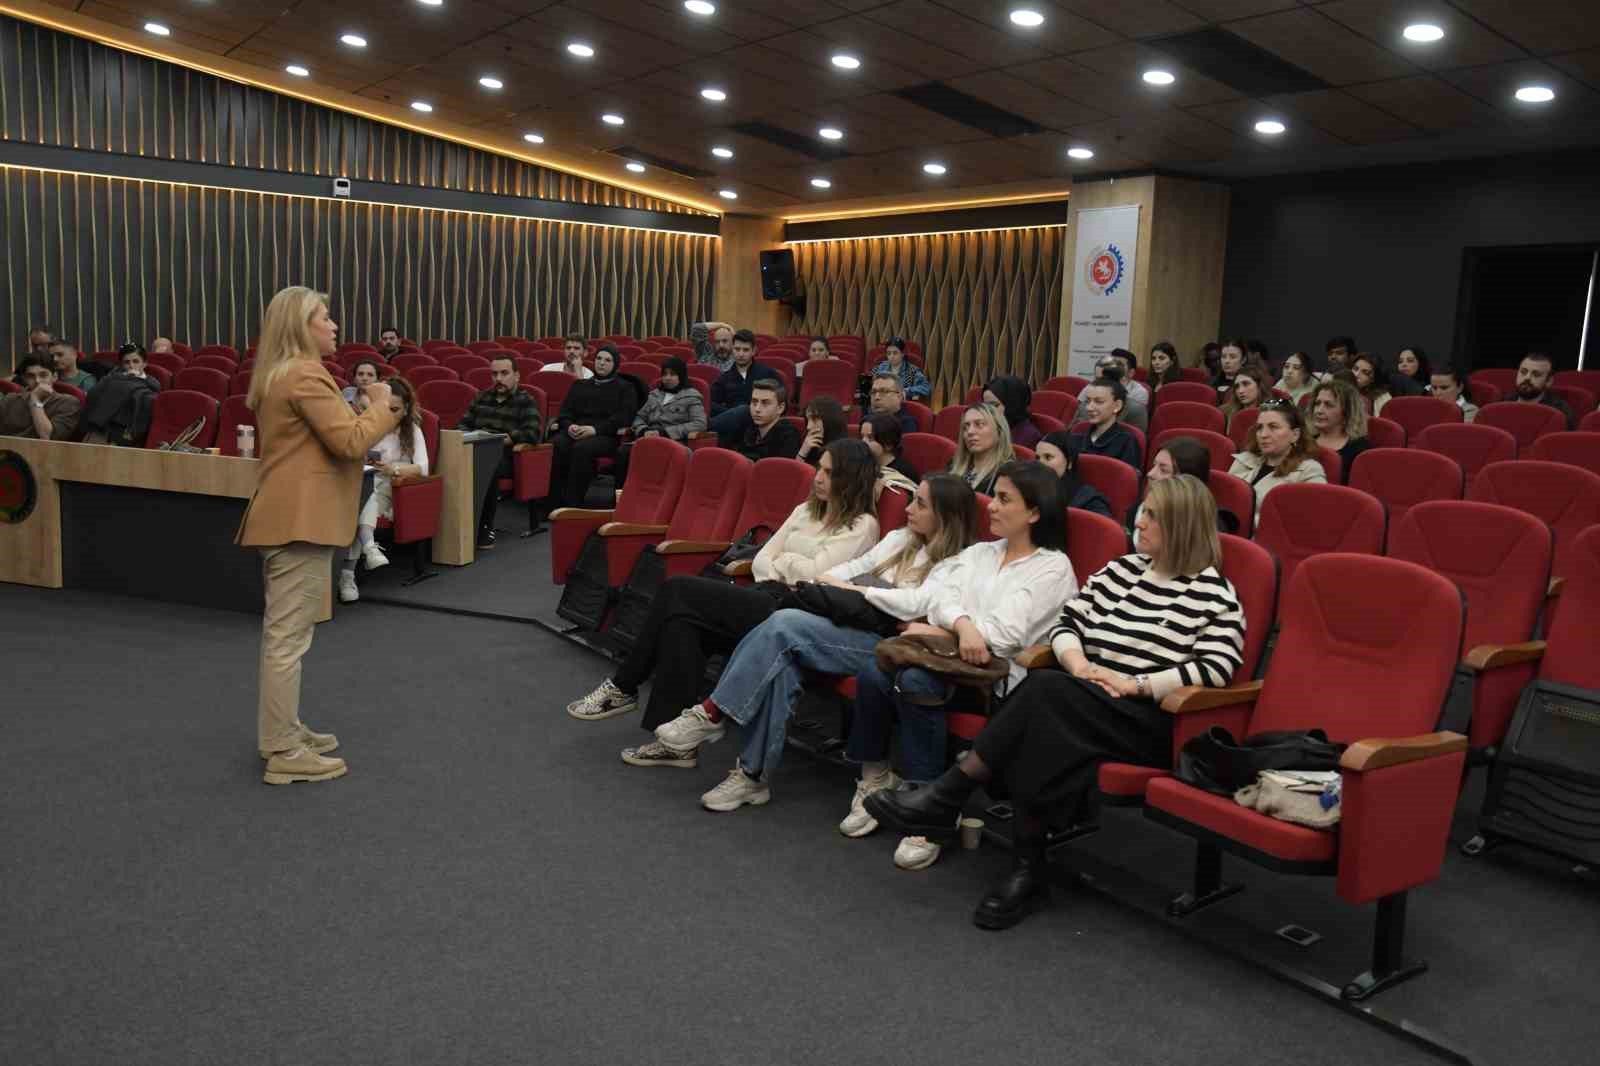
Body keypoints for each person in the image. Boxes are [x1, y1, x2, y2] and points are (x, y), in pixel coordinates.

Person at [867, 474, 1244, 927]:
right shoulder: (1122, 571)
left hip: (1150, 717)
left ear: (1182, 525)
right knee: (1046, 717)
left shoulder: (1213, 593)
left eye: (1153, 516)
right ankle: (1025, 868)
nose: (1139, 522)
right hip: (1087, 696)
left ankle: (950, 796)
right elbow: (1068, 625)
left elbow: (1216, 667)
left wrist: (1137, 684)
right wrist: (1079, 664)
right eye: (1142, 511)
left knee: (1045, 691)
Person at [650, 476, 981, 812]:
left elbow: (916, 604)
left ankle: (712, 714)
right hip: (853, 627)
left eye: (920, 504)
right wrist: (859, 590)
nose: (908, 509)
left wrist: (858, 590)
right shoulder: (900, 538)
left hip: (890, 646)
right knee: (783, 659)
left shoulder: (959, 561)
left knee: (783, 626)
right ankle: (751, 777)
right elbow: (847, 570)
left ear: (946, 515)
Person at [565, 440, 880, 759]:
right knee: (682, 625)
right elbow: (761, 560)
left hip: (796, 612)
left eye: (830, 472)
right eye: (819, 468)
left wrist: (783, 561)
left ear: (851, 479)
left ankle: (623, 686)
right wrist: (787, 564)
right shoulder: (805, 510)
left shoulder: (862, 526)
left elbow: (814, 578)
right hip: (764, 593)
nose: (819, 477)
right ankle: (673, 745)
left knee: (677, 589)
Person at [854, 462, 1078, 869]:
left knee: (915, 677)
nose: (991, 506)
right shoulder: (981, 552)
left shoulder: (1053, 567)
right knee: (874, 671)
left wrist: (954, 628)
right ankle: (875, 778)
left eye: (1004, 499)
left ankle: (931, 809)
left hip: (997, 682)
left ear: (1034, 512)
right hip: (952, 660)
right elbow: (938, 599)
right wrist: (962, 625)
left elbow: (1005, 637)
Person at [237, 286, 401, 786]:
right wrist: (381, 403)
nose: (334, 325)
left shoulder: (283, 373)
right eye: (324, 317)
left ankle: (284, 731)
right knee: (287, 639)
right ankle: (283, 750)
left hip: (292, 517)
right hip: (299, 520)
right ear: (300, 327)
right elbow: (350, 442)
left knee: (289, 635)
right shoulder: (304, 374)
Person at [338, 377, 428, 603]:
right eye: (386, 409)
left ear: (406, 409)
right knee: (361, 495)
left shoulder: (412, 430)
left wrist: (392, 468)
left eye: (395, 410)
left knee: (362, 502)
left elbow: (423, 468)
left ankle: (348, 574)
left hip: (390, 486)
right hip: (361, 482)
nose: (390, 415)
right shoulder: (369, 427)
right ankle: (369, 548)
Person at [457, 354, 543, 549]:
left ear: (517, 376)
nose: (499, 378)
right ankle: (457, 525)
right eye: (494, 374)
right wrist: (471, 435)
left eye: (504, 373)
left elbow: (532, 433)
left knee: (487, 465)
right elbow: (462, 424)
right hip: (476, 447)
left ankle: (485, 526)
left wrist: (506, 438)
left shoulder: (525, 401)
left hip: (506, 455)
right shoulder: (482, 397)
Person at [549, 345, 638, 512]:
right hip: (576, 430)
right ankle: (552, 502)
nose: (601, 363)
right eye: (598, 359)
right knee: (557, 443)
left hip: (606, 435)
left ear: (615, 364)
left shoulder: (625, 388)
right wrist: (569, 426)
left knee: (582, 448)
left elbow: (624, 417)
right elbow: (565, 412)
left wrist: (594, 429)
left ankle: (573, 505)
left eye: (607, 360)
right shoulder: (580, 385)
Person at [1125, 435, 1238, 537]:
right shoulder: (1138, 510)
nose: (1150, 474)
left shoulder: (1208, 528)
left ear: (1188, 481)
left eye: (1163, 470)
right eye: (1153, 466)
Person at [1229, 400, 1327, 505]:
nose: (1263, 434)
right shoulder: (1244, 459)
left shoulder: (1308, 471)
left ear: (1295, 435)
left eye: (1273, 427)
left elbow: (1317, 511)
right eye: (1260, 427)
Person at [710, 329, 780, 443]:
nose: (741, 354)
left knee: (745, 409)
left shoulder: (767, 373)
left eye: (745, 350)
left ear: (754, 351)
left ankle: (704, 426)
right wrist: (732, 413)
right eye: (737, 349)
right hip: (734, 428)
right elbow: (711, 404)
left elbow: (781, 402)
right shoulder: (724, 378)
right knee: (741, 411)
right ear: (732, 349)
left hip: (760, 422)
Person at [80, 346, 161, 445]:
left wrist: (131, 382)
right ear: (122, 365)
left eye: (136, 361)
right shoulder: (111, 378)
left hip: (127, 430)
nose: (131, 366)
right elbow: (94, 394)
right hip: (100, 427)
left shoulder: (152, 383)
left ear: (144, 364)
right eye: (127, 362)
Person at [1033, 431, 1111, 517]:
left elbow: (1103, 523)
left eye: (1048, 457)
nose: (1039, 464)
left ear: (1069, 462)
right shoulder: (1032, 487)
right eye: (1037, 458)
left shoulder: (1089, 500)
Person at [1308, 378, 1371, 483]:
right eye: (1317, 403)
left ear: (1347, 412)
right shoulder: (1303, 442)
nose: (1319, 410)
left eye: (1329, 405)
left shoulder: (1360, 450)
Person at [1, 356, 79, 440]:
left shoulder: (68, 403)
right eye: (31, 376)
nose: (37, 381)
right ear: (25, 379)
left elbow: (46, 436)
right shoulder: (10, 400)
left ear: (54, 377)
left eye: (43, 375)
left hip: (45, 448)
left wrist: (35, 399)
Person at [1072, 379, 1141, 471]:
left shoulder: (1127, 441)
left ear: (1117, 406)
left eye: (1099, 401)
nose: (1089, 408)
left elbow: (1128, 477)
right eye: (1088, 401)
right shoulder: (1078, 433)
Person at [947, 402, 1015, 495]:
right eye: (965, 427)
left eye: (979, 424)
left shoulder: (1009, 473)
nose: (970, 432)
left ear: (999, 431)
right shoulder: (954, 464)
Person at [733, 379, 802, 461]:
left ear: (780, 408)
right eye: (754, 402)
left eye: (765, 403)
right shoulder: (746, 427)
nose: (757, 409)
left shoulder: (788, 436)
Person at [1079, 351, 1150, 431]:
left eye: (1106, 380)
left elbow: (1136, 437)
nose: (1100, 384)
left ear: (1122, 381)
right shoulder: (1084, 406)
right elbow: (1075, 432)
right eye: (1098, 379)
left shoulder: (1135, 410)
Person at [1512, 351, 1576, 429]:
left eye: (1536, 374)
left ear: (1548, 381)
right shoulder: (1505, 402)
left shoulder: (1559, 413)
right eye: (1523, 372)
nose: (1527, 377)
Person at [861, 412, 919, 490]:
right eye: (862, 436)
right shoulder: (862, 464)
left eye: (870, 438)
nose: (863, 442)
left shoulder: (903, 472)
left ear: (888, 444)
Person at [984, 375, 1044, 448]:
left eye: (995, 405)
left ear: (1012, 404)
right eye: (985, 405)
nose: (987, 410)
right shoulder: (988, 428)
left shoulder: (1030, 437)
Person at [870, 337, 931, 402]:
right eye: (889, 353)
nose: (891, 356)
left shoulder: (912, 370)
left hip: (901, 403)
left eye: (895, 353)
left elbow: (926, 387)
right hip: (880, 402)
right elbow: (868, 383)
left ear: (902, 354)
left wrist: (906, 391)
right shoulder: (880, 368)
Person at [796, 395, 849, 466]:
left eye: (814, 419)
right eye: (807, 420)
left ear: (829, 421)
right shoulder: (810, 446)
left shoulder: (845, 453)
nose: (808, 427)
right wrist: (802, 453)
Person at [1212, 339, 1246, 403]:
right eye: (1223, 356)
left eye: (1233, 357)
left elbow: (1265, 404)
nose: (1227, 361)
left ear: (1243, 360)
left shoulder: (1250, 383)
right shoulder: (1212, 381)